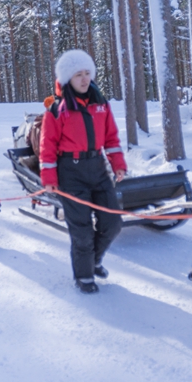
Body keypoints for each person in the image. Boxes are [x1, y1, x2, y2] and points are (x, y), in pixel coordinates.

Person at [39, 49, 126, 294]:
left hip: (97, 168)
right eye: (78, 74)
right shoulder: (57, 109)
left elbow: (111, 137)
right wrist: (49, 178)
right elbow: (48, 146)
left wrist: (118, 164)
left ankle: (94, 260)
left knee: (113, 222)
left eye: (87, 73)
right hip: (70, 171)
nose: (84, 79)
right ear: (68, 78)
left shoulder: (101, 103)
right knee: (82, 229)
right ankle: (84, 275)